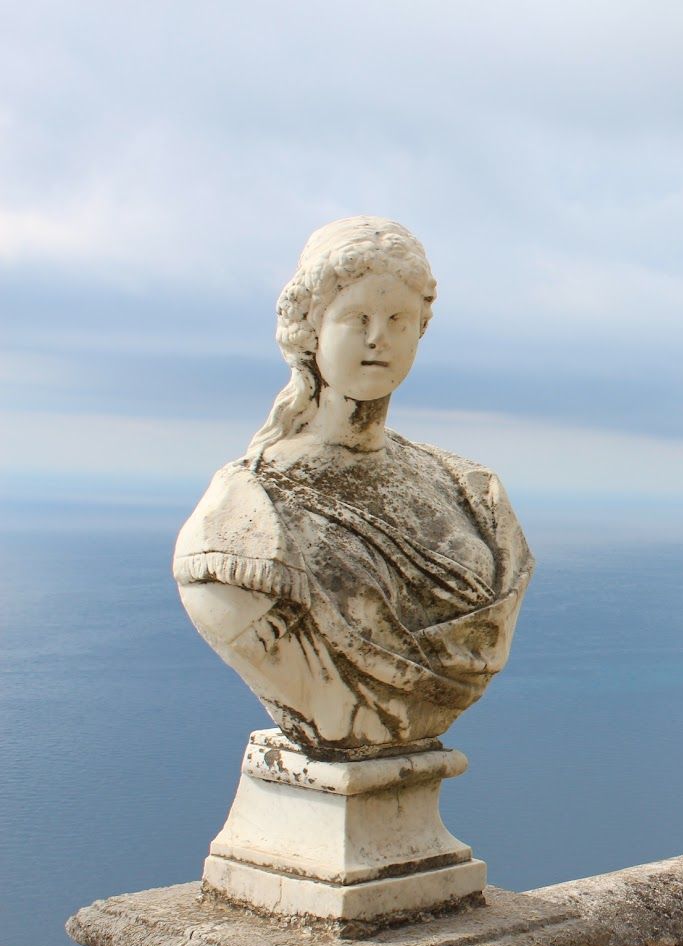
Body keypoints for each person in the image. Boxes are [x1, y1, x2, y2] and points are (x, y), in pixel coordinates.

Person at [173, 217, 533, 753]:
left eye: (398, 319)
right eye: (356, 317)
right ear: (310, 329)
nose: (377, 339)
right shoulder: (248, 508)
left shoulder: (473, 493)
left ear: (420, 331)